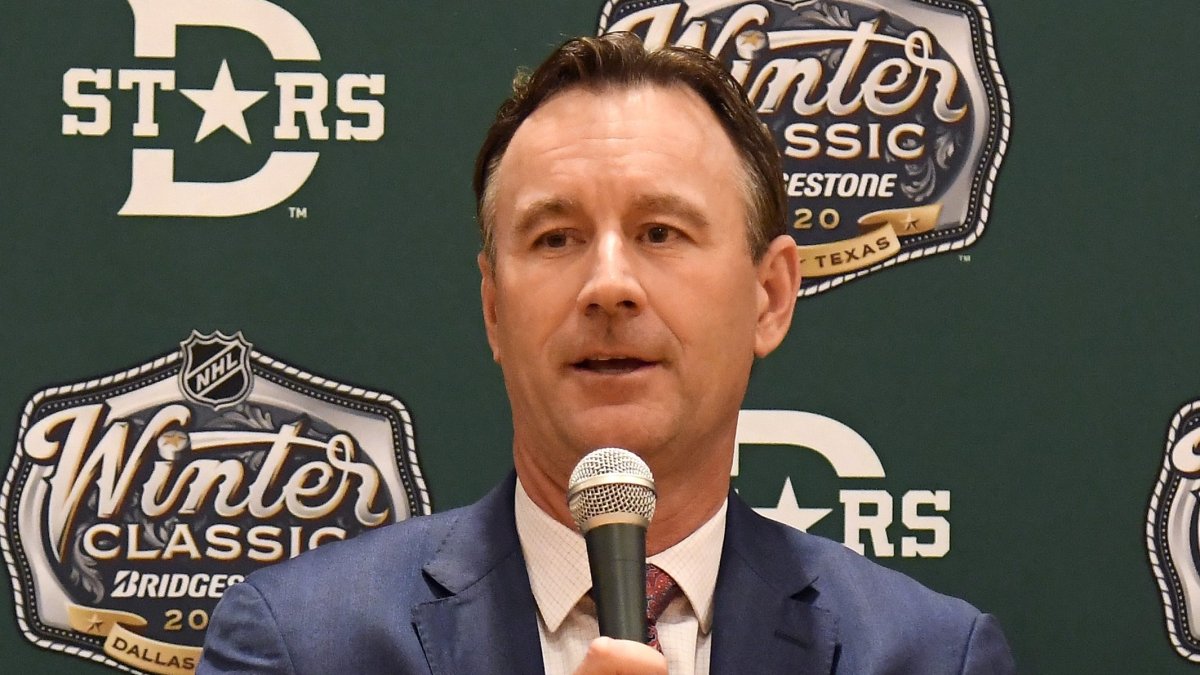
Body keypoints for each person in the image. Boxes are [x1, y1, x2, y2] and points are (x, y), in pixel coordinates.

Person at [198, 32, 1015, 674]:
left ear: (769, 295)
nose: (609, 284)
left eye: (661, 232)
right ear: (493, 308)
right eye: (556, 238)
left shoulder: (927, 656)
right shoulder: (303, 645)